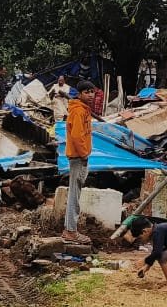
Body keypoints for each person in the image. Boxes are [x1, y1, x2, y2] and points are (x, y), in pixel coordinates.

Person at [63, 80, 96, 244]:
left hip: (79, 156)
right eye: (86, 92)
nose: (90, 95)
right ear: (80, 94)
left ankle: (69, 229)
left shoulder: (83, 109)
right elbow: (77, 136)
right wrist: (84, 155)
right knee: (74, 195)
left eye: (92, 91)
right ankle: (71, 231)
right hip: (78, 157)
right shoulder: (78, 111)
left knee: (74, 193)